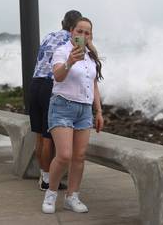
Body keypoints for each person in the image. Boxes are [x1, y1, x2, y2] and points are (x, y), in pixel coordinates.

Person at [41, 17, 104, 214]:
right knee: (65, 155)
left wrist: (99, 111)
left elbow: (93, 84)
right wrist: (69, 62)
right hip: (62, 106)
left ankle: (72, 196)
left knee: (79, 156)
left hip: (84, 110)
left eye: (87, 33)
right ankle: (51, 194)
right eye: (79, 31)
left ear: (90, 36)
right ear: (71, 32)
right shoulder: (62, 51)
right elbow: (58, 76)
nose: (83, 35)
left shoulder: (90, 56)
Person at [30, 10, 82, 191]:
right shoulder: (72, 40)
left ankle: (43, 175)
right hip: (49, 86)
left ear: (62, 22)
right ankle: (47, 180)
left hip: (35, 83)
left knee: (38, 134)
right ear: (74, 27)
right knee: (48, 137)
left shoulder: (49, 36)